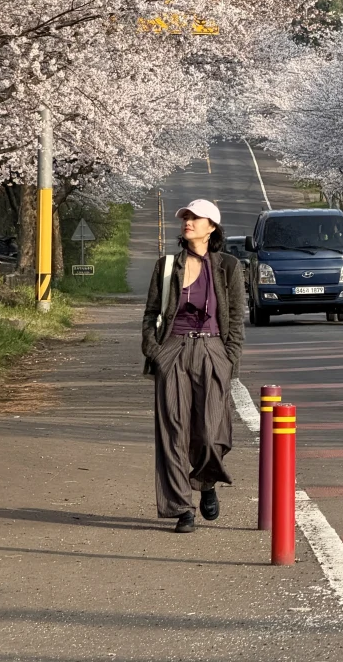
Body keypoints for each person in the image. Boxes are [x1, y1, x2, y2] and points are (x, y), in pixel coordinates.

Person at [141, 198, 245, 532]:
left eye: (195, 218)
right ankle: (181, 508)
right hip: (173, 350)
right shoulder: (167, 265)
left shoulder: (228, 266)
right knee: (173, 432)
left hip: (213, 350)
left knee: (211, 432)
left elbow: (236, 319)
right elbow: (151, 312)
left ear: (211, 227)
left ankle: (206, 481)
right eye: (185, 216)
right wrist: (155, 351)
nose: (188, 221)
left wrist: (229, 358)